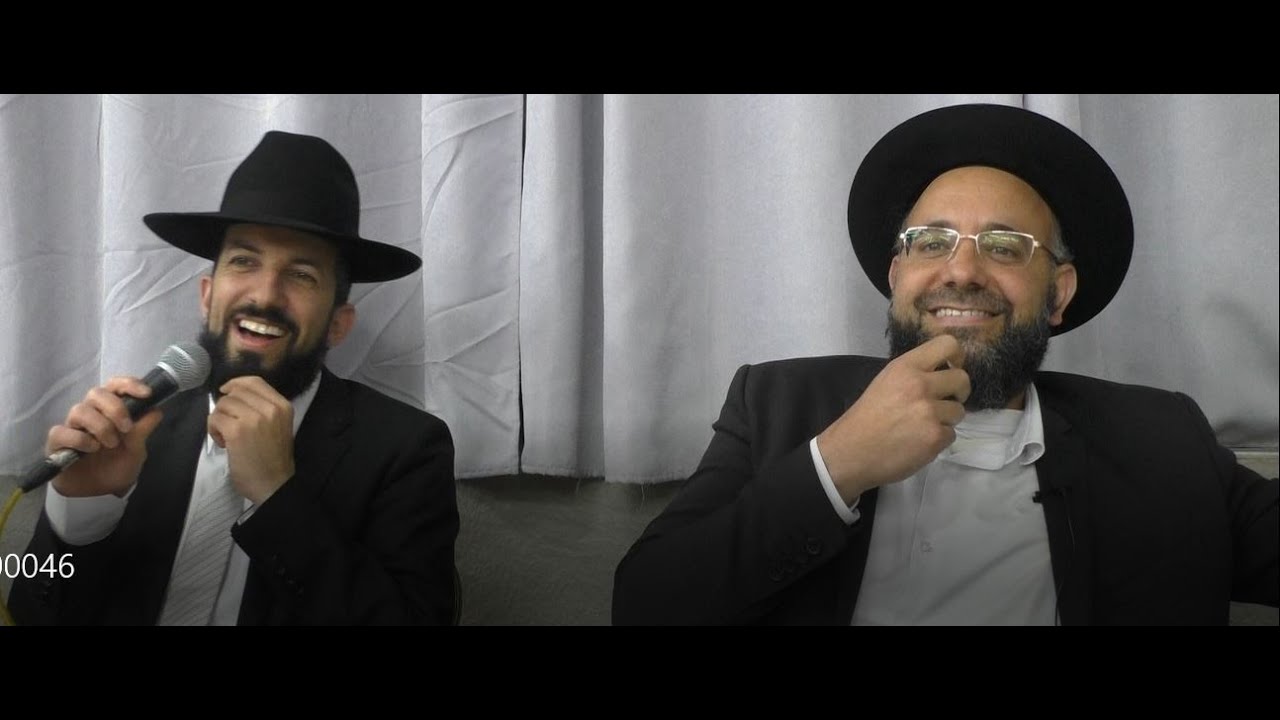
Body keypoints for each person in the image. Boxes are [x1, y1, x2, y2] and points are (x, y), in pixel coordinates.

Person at [612, 104, 1279, 625]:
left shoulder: (1163, 439)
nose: (961, 271)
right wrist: (836, 465)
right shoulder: (775, 403)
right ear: (896, 275)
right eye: (931, 242)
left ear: (1059, 294)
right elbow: (646, 606)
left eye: (1005, 246)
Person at [8, 131, 459, 625]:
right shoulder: (131, 432)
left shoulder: (407, 451)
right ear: (207, 295)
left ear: (338, 323)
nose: (264, 295)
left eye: (302, 274)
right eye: (244, 261)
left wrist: (278, 497)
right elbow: (27, 611)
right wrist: (80, 515)